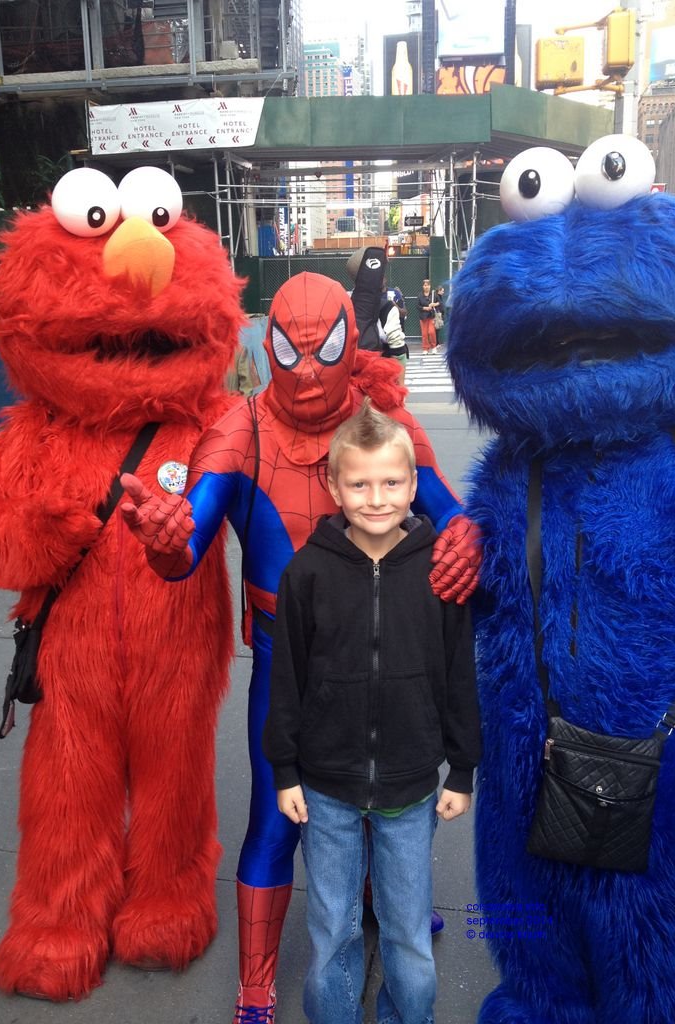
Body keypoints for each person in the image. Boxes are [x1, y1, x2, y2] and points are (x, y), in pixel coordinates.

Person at [119, 271, 482, 1024]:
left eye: (327, 348)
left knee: (393, 786)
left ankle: (393, 901)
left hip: (387, 649)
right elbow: (188, 540)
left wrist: (468, 541)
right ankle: (258, 981)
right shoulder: (241, 427)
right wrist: (166, 537)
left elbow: (449, 514)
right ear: (269, 347)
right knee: (280, 816)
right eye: (292, 350)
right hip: (289, 657)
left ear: (353, 338)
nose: (310, 370)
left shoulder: (386, 428)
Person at [263, 400, 481, 1024]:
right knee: (333, 930)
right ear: (334, 486)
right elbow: (289, 679)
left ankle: (404, 1015)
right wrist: (285, 772)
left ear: (414, 484)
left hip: (411, 786)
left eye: (391, 482)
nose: (377, 497)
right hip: (326, 784)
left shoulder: (439, 574)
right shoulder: (306, 574)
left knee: (408, 933)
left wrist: (463, 770)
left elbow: (459, 672)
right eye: (359, 483)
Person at [377, 290, 408, 385]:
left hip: (392, 344)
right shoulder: (355, 296)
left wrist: (394, 306)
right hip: (371, 347)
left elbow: (404, 312)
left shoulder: (394, 294)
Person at [418, 279, 439, 356]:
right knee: (424, 334)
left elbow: (439, 302)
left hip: (431, 316)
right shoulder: (420, 295)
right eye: (425, 285)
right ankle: (425, 349)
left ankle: (434, 347)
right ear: (423, 286)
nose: (426, 287)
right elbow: (418, 306)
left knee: (431, 332)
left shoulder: (434, 294)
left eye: (427, 285)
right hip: (423, 317)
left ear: (430, 286)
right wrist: (425, 308)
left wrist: (434, 304)